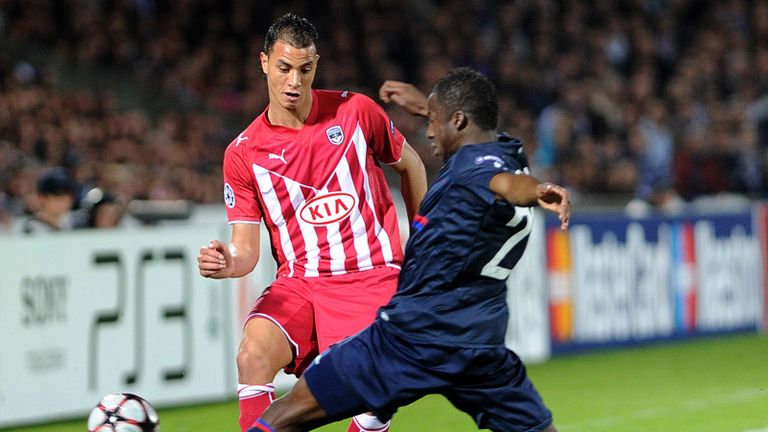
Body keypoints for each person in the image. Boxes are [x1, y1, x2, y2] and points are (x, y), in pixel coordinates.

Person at [248, 67, 571, 432]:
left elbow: (505, 185)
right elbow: (495, 160)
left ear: (459, 120)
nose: (429, 131)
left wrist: (537, 189)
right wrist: (428, 106)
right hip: (478, 347)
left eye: (434, 122)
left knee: (288, 413)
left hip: (409, 339)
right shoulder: (508, 150)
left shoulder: (474, 168)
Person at [196, 13, 426, 432]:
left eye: (305, 69)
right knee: (252, 355)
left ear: (316, 64)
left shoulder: (356, 111)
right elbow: (245, 250)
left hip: (370, 276)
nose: (294, 81)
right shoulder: (243, 152)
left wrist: (424, 243)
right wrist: (227, 262)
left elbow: (411, 167)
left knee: (370, 404)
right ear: (264, 62)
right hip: (301, 284)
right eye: (284, 68)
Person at [22, 166, 76, 233]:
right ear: (42, 198)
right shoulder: (33, 228)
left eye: (67, 197)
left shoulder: (72, 223)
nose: (63, 202)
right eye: (57, 197)